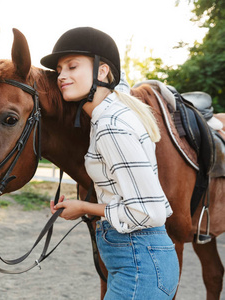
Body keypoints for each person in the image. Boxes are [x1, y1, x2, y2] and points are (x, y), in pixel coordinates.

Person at [40, 27, 180, 299]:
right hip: (138, 261)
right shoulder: (112, 111)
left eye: (72, 66)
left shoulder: (110, 125)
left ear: (102, 72)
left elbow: (149, 212)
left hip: (140, 265)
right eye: (59, 69)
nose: (62, 76)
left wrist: (84, 207)